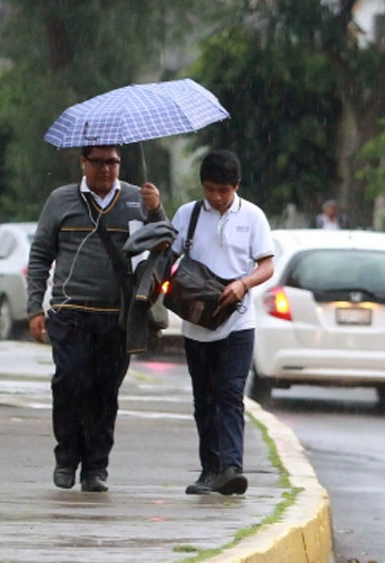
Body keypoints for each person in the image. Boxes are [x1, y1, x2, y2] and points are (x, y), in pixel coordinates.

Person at [26, 145, 166, 492]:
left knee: (105, 392)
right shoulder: (61, 200)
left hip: (117, 317)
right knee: (69, 384)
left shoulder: (137, 198)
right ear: (83, 163)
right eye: (99, 162)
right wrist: (34, 307)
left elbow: (164, 243)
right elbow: (41, 254)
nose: (106, 170)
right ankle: (66, 459)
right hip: (70, 313)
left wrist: (157, 209)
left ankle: (95, 468)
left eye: (113, 163)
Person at [170, 149, 274, 496]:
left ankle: (231, 467)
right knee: (204, 398)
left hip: (238, 323)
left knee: (230, 394)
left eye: (224, 191)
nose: (216, 197)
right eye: (211, 189)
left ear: (236, 186)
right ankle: (209, 470)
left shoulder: (254, 217)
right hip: (198, 323)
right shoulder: (188, 215)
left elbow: (266, 266)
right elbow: (166, 256)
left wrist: (243, 284)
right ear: (202, 185)